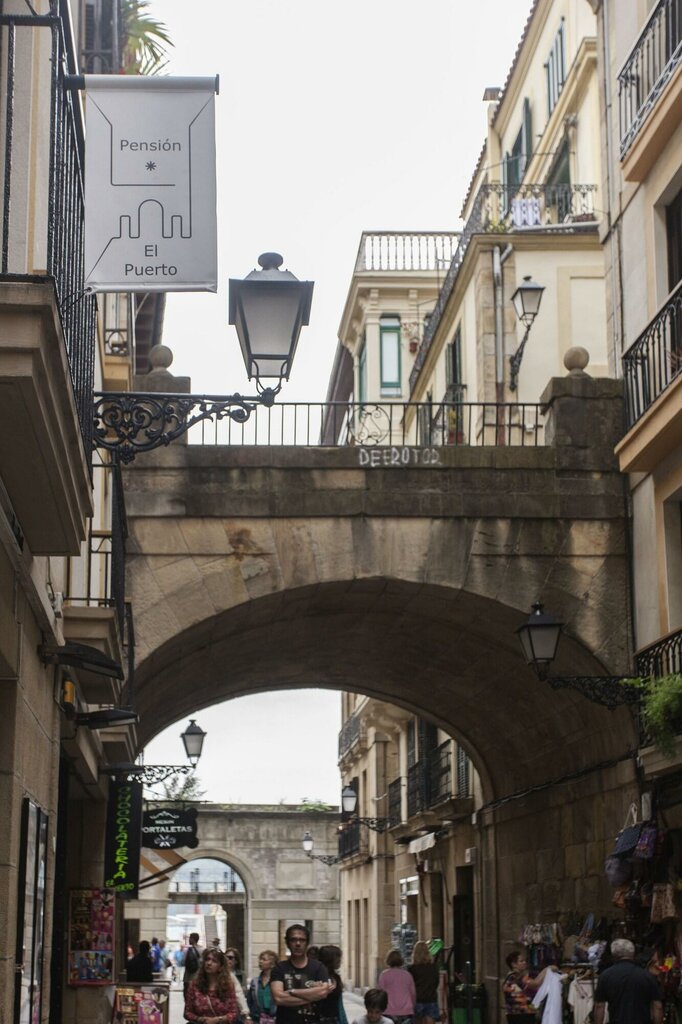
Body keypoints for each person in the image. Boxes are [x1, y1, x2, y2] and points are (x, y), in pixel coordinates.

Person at [270, 924, 333, 1024]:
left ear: (307, 943)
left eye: (302, 940)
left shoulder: (319, 967)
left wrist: (292, 991)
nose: (298, 943)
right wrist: (313, 996)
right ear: (287, 943)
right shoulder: (279, 968)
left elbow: (322, 993)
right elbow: (279, 998)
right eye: (293, 940)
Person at [593, 939, 662, 1024]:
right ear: (633, 954)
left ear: (614, 955)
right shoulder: (647, 976)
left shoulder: (605, 976)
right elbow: (657, 1005)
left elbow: (599, 1006)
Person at [184, 948, 242, 1024]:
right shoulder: (194, 985)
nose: (209, 963)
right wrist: (200, 1019)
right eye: (207, 959)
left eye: (214, 961)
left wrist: (217, 1020)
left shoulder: (228, 986)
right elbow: (187, 1012)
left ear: (220, 967)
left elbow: (233, 1013)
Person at [502, 951, 557, 1024]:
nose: (524, 963)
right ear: (514, 964)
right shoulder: (517, 977)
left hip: (514, 1014)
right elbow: (535, 984)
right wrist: (547, 970)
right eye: (521, 961)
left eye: (525, 960)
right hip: (521, 1014)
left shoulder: (511, 976)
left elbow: (535, 982)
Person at [378, 950, 416, 1024]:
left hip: (388, 1010)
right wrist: (412, 1006)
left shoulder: (384, 975)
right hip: (406, 1011)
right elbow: (413, 993)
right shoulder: (407, 975)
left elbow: (380, 994)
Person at [408, 942, 441, 1024]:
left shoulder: (412, 969)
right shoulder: (433, 967)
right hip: (431, 999)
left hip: (417, 1000)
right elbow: (436, 982)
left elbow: (409, 986)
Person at [316, 945, 348, 1024]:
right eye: (338, 957)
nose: (340, 960)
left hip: (334, 1019)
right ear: (331, 960)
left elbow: (339, 1004)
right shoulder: (317, 977)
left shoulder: (336, 977)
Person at [248, 950, 279, 1024]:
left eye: (264, 959)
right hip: (257, 1019)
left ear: (272, 964)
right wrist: (248, 1017)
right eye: (260, 959)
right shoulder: (254, 982)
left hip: (274, 1019)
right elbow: (249, 1001)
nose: (260, 961)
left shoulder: (278, 982)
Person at [184, 933, 203, 999]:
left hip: (188, 977)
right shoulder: (202, 950)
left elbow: (184, 962)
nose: (189, 939)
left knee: (187, 999)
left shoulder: (188, 950)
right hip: (198, 978)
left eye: (190, 938)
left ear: (192, 939)